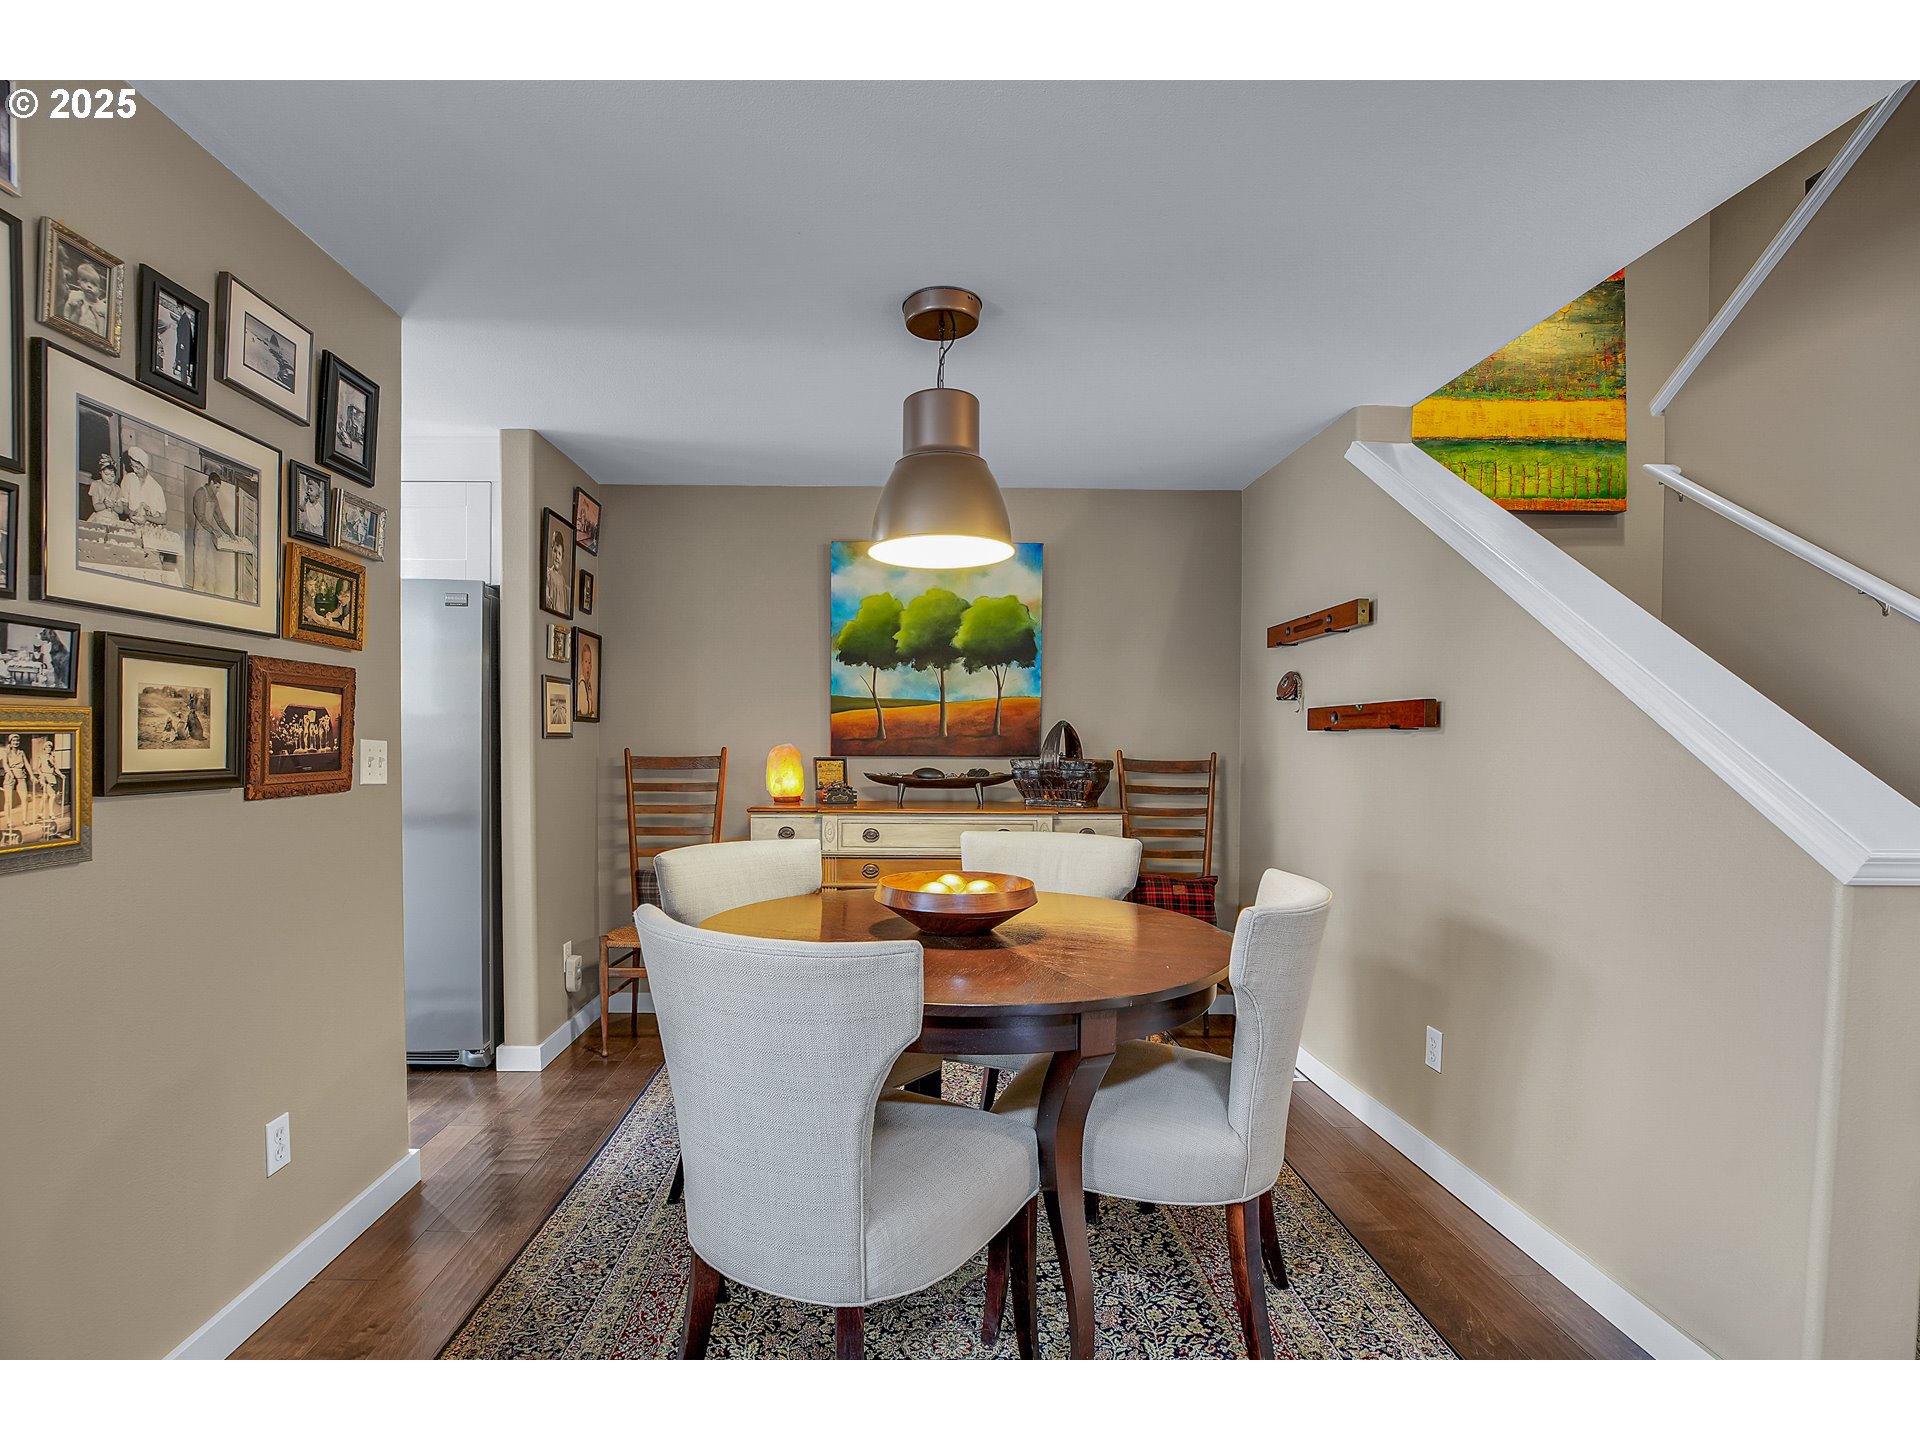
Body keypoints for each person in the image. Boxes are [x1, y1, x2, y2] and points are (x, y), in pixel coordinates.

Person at [120, 447, 168, 527]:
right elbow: (124, 505)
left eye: (138, 468)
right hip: (130, 526)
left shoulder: (156, 488)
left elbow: (163, 519)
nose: (135, 470)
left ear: (145, 467)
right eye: (132, 466)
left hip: (149, 528)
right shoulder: (128, 479)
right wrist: (129, 512)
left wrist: (146, 518)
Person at [63, 260, 110, 337]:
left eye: (93, 284)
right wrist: (66, 318)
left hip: (92, 335)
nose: (89, 286)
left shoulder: (101, 306)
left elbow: (101, 327)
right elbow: (68, 306)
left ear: (100, 291)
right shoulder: (76, 296)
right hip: (74, 330)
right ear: (79, 283)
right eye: (85, 281)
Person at [1, 734, 29, 835]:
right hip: (10, 777)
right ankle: (9, 821)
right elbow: (5, 764)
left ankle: (24, 819)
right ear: (10, 742)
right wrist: (10, 773)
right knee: (8, 800)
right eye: (13, 741)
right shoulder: (6, 752)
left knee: (24, 799)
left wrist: (32, 775)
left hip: (21, 776)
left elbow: (27, 764)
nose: (15, 743)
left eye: (17, 741)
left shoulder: (21, 752)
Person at [87, 454, 126, 523]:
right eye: (106, 474)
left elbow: (121, 510)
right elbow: (96, 507)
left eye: (112, 476)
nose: (109, 478)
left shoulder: (117, 488)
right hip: (100, 518)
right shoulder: (96, 485)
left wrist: (113, 506)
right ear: (101, 472)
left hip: (113, 519)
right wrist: (105, 504)